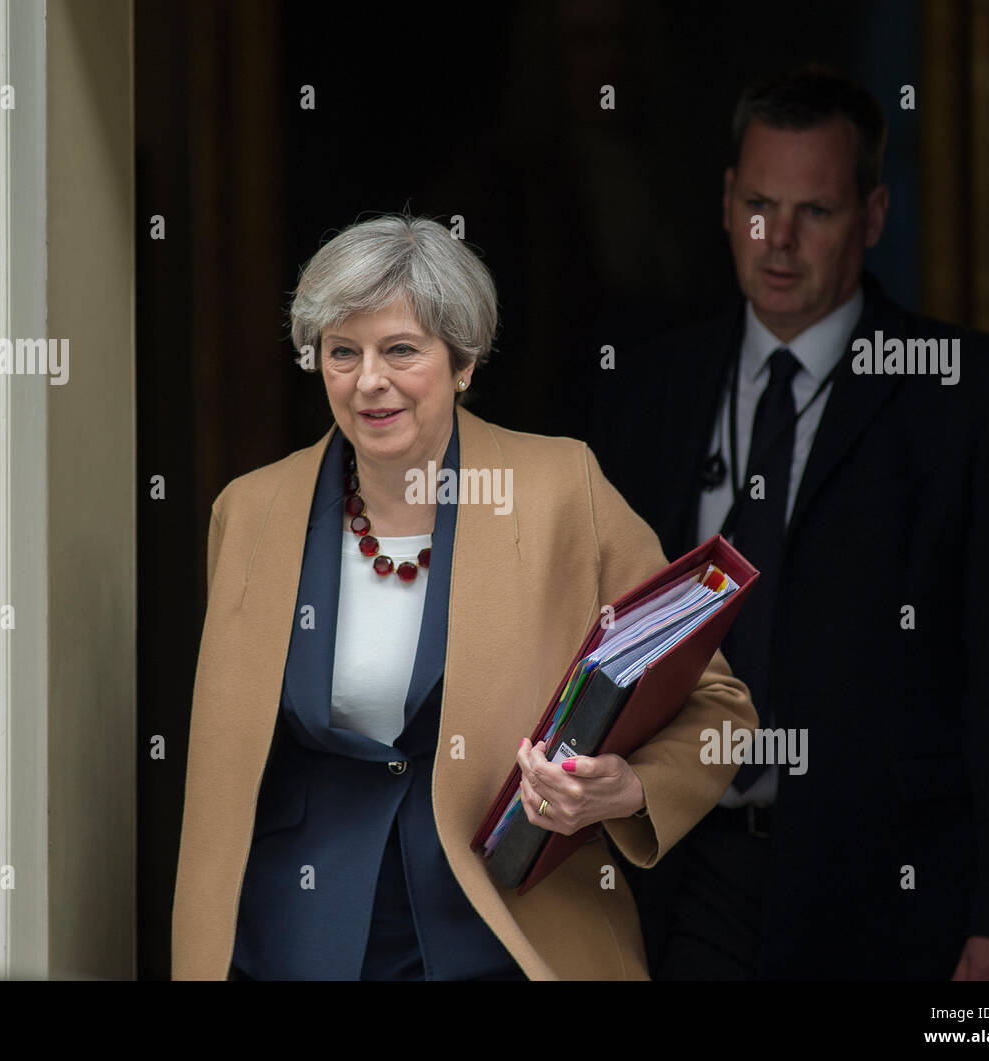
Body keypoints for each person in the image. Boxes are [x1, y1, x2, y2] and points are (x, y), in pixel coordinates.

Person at [171, 214, 756, 981]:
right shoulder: (249, 511)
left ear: (465, 362)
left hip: (504, 923)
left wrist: (628, 787)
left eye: (401, 350)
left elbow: (719, 703)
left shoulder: (560, 489)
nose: (368, 379)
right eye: (342, 352)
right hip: (292, 933)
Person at [591, 66, 989, 981]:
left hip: (892, 896)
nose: (777, 241)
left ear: (873, 217)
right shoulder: (654, 390)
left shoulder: (966, 392)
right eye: (757, 205)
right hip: (686, 866)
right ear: (724, 203)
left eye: (814, 212)